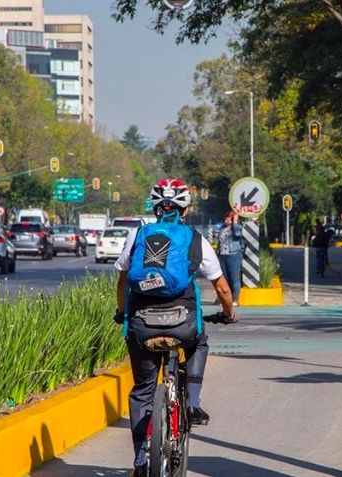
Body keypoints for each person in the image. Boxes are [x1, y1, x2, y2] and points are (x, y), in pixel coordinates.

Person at [114, 178, 237, 477]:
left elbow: (121, 281)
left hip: (142, 325)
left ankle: (141, 460)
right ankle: (192, 403)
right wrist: (228, 313)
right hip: (182, 324)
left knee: (143, 389)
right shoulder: (195, 239)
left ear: (156, 208)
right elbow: (221, 286)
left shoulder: (139, 235)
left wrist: (121, 312)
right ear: (186, 208)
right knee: (200, 341)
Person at [217, 211, 243, 306]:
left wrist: (235, 222)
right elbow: (220, 242)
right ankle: (228, 299)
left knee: (234, 278)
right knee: (225, 279)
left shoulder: (236, 227)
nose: (226, 220)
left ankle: (235, 300)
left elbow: (237, 235)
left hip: (234, 255)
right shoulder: (222, 228)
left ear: (232, 219)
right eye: (226, 218)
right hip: (223, 255)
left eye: (228, 218)